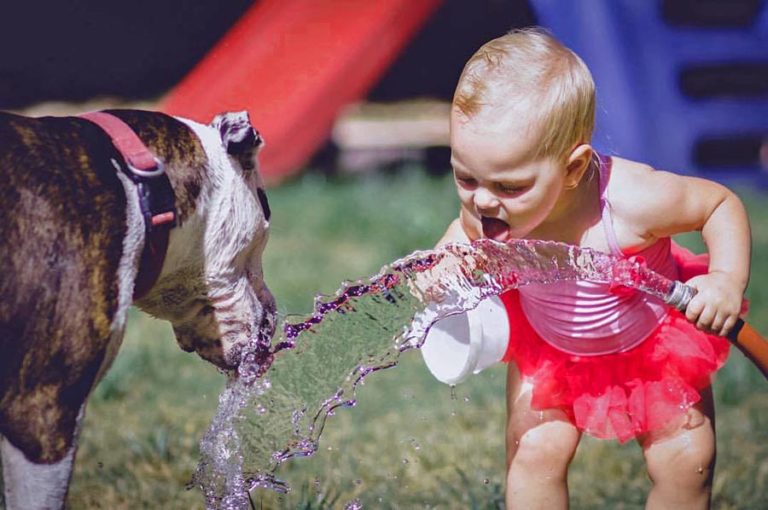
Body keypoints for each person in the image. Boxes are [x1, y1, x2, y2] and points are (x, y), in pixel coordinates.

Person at [435, 27, 751, 509]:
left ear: (574, 168)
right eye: (465, 176)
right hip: (550, 346)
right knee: (532, 452)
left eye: (509, 185)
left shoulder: (633, 203)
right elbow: (462, 235)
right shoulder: (489, 208)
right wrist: (441, 267)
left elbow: (718, 205)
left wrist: (726, 280)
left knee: (685, 460)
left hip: (651, 345)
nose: (481, 199)